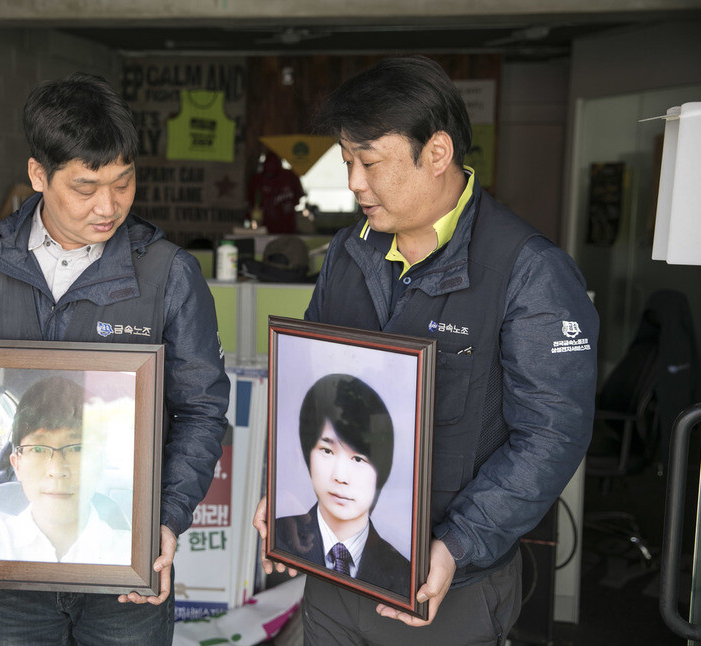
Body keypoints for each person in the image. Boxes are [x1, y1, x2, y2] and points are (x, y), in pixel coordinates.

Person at [253, 55, 598, 645]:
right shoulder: (348, 251)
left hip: (446, 589)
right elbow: (307, 384)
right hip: (338, 581)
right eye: (346, 162)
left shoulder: (527, 271)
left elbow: (551, 435)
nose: (354, 183)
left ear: (436, 154)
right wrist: (281, 489)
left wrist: (457, 545)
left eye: (369, 163)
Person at [0, 72, 230, 646]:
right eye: (85, 188)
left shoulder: (167, 274)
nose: (108, 207)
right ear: (39, 175)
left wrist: (165, 518)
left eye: (124, 183)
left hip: (125, 571)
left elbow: (203, 410)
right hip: (11, 573)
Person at [274, 373, 410, 598]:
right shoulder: (280, 539)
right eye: (327, 451)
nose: (340, 476)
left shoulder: (402, 570)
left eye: (358, 459)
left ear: (382, 469)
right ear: (306, 455)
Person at [0, 375, 130, 565]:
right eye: (38, 449)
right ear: (16, 465)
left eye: (78, 448)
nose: (57, 470)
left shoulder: (128, 554)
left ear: (100, 463)